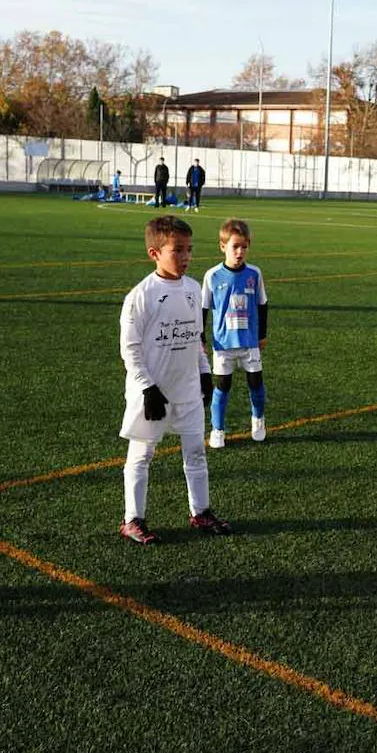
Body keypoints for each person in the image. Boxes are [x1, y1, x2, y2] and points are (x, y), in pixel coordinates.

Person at [117, 215, 232, 544]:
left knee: (195, 453)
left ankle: (200, 512)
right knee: (141, 455)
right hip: (152, 393)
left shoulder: (194, 289)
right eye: (177, 250)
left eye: (189, 250)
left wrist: (205, 372)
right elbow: (130, 349)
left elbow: (195, 336)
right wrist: (146, 387)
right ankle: (132, 520)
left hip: (187, 390)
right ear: (155, 253)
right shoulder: (141, 295)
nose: (185, 257)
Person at [202, 218, 269, 448]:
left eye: (244, 247)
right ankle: (218, 429)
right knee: (221, 387)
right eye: (235, 247)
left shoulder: (255, 273)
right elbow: (203, 308)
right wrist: (201, 338)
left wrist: (262, 334)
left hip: (250, 342)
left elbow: (262, 305)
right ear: (223, 247)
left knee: (256, 384)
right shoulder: (212, 276)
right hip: (223, 344)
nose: (240, 252)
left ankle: (258, 420)